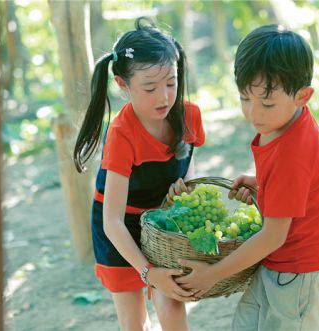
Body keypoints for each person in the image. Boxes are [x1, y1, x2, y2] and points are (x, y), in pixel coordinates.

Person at [175, 24, 319, 331]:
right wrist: (262, 183)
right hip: (279, 263)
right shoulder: (282, 123)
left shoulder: (291, 152)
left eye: (267, 104)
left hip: (302, 273)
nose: (254, 113)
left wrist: (211, 274)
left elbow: (272, 236)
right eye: (245, 98)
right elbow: (300, 186)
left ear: (303, 96)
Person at [73, 18, 205, 331]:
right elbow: (112, 221)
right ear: (122, 84)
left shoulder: (189, 115)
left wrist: (183, 191)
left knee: (171, 304)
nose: (163, 97)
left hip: (162, 224)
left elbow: (188, 171)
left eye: (171, 83)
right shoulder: (122, 134)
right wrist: (147, 271)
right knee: (134, 324)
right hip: (120, 229)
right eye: (150, 87)